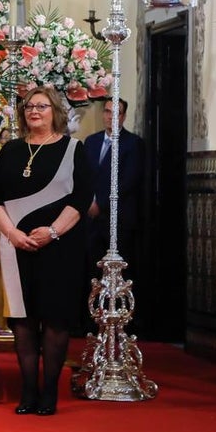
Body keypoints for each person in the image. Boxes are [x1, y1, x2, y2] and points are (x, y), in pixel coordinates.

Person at [0, 86, 92, 417]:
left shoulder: (73, 149)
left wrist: (53, 231)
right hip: (16, 247)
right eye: (29, 106)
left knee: (55, 319)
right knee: (23, 320)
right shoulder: (10, 150)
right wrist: (12, 233)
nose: (34, 111)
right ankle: (28, 391)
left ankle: (49, 393)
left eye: (42, 106)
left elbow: (81, 199)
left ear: (55, 111)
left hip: (60, 248)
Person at [82, 97, 145, 330]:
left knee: (119, 271)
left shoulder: (133, 144)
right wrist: (88, 202)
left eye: (116, 113)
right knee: (92, 268)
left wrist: (101, 204)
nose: (111, 117)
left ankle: (119, 320)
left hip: (119, 219)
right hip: (91, 219)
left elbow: (128, 180)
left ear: (123, 116)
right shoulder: (91, 142)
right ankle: (92, 319)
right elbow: (83, 175)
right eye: (107, 112)